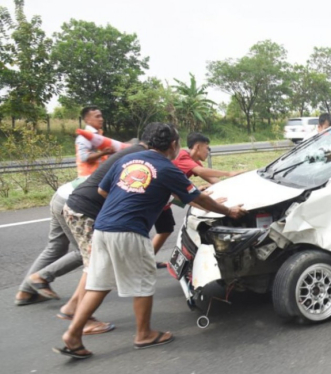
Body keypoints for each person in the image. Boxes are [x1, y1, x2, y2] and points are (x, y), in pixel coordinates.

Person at [55, 123, 247, 359]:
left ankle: (73, 335)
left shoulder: (126, 161)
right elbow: (197, 198)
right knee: (144, 283)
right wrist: (229, 211)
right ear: (174, 145)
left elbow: (104, 192)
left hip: (102, 227)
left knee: (99, 284)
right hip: (129, 231)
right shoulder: (167, 168)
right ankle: (144, 334)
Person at [59, 139, 151, 335]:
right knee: (96, 267)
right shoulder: (140, 158)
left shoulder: (133, 152)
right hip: (87, 210)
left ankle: (72, 308)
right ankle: (81, 321)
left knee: (93, 264)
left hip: (79, 206)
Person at [152, 132, 243, 254]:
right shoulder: (183, 157)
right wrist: (228, 174)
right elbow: (188, 193)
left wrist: (235, 189)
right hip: (164, 196)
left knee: (166, 229)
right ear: (198, 147)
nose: (208, 151)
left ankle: (149, 259)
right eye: (207, 148)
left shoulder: (193, 162)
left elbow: (214, 181)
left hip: (169, 198)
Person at [15, 178, 87, 305]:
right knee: (85, 251)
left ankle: (26, 292)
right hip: (74, 200)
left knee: (56, 246)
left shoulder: (124, 161)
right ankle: (42, 277)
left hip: (61, 195)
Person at [75, 106, 115, 177]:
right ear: (87, 120)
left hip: (99, 177)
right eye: (97, 117)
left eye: (101, 116)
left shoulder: (99, 135)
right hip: (88, 178)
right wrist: (103, 153)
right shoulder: (84, 137)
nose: (101, 119)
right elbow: (84, 157)